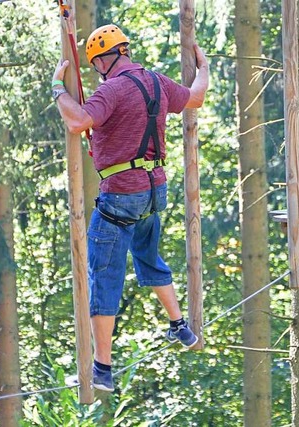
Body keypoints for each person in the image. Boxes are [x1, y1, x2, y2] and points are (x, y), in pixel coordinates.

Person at [52, 23, 209, 392]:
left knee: (103, 276)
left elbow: (77, 121)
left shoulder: (112, 89)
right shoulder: (156, 82)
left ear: (105, 58)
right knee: (148, 256)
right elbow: (196, 98)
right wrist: (204, 70)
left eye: (95, 65)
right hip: (153, 193)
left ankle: (102, 368)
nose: (96, 72)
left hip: (120, 196)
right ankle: (178, 324)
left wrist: (58, 88)